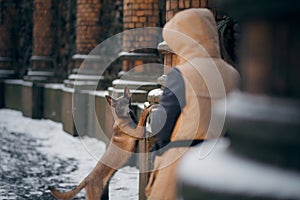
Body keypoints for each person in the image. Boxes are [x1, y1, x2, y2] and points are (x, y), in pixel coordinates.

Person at [145, 8, 240, 199]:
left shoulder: (182, 73)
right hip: (221, 160)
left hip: (181, 159)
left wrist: (161, 146)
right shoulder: (233, 74)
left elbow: (164, 122)